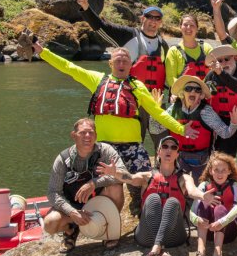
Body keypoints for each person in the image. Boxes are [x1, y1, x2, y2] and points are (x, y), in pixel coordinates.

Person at [32, 42, 198, 216]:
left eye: (125, 61)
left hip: (132, 145)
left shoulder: (138, 87)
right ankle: (103, 215)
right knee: (108, 181)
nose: (121, 64)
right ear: (110, 64)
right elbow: (69, 67)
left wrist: (181, 129)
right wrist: (43, 52)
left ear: (131, 65)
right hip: (105, 146)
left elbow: (157, 113)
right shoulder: (97, 80)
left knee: (145, 175)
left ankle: (139, 204)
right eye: (117, 61)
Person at [77, 0, 169, 147]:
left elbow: (169, 76)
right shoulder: (128, 35)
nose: (153, 21)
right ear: (142, 18)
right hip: (132, 101)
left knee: (164, 143)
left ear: (160, 22)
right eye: (149, 17)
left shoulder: (164, 45)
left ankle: (162, 170)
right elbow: (101, 27)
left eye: (157, 18)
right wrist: (86, 8)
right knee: (132, 142)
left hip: (156, 102)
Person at [111, 136, 210, 256]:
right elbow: (130, 178)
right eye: (165, 146)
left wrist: (203, 196)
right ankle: (158, 248)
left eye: (173, 148)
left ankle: (155, 250)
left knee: (173, 202)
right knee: (152, 198)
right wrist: (114, 172)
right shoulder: (147, 176)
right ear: (158, 152)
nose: (169, 150)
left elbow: (192, 191)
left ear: (177, 154)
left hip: (174, 235)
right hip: (146, 235)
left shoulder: (184, 178)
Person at [44, 118, 126, 252]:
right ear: (73, 135)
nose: (87, 136)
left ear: (96, 136)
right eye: (82, 133)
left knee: (116, 186)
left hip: (99, 201)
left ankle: (110, 230)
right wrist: (71, 212)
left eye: (91, 132)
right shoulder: (63, 159)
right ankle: (71, 230)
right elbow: (53, 192)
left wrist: (94, 183)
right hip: (73, 205)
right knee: (50, 224)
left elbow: (124, 174)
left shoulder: (105, 151)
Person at [151, 75, 237, 182]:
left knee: (199, 191)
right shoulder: (173, 110)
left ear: (201, 95)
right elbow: (155, 129)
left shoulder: (206, 111)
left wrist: (234, 123)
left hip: (202, 159)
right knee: (178, 187)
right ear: (183, 93)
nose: (192, 92)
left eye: (197, 90)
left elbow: (225, 133)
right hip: (178, 157)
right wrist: (155, 112)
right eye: (188, 89)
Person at [204, 45, 237, 179]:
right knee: (222, 159)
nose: (224, 63)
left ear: (234, 58)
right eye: (220, 61)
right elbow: (202, 93)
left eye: (227, 59)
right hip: (224, 122)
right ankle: (226, 188)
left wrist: (221, 73)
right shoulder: (212, 75)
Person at [189, 152, 237, 256]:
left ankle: (217, 254)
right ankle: (201, 252)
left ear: (229, 171)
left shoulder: (236, 186)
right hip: (208, 231)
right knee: (203, 202)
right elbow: (192, 210)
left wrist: (221, 222)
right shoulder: (204, 186)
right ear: (211, 171)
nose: (220, 173)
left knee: (219, 208)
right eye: (216, 170)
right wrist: (197, 220)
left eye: (223, 170)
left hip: (229, 231)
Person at [164, 14, 215, 87]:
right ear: (180, 27)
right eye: (185, 25)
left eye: (192, 25)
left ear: (197, 28)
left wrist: (201, 91)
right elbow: (171, 78)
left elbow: (214, 73)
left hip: (204, 94)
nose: (188, 28)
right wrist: (188, 91)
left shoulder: (207, 48)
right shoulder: (173, 51)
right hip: (182, 94)